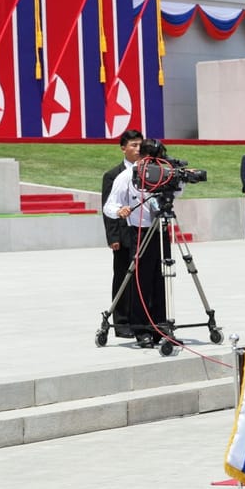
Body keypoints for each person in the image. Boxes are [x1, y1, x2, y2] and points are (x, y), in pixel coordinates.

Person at [102, 139, 168, 347]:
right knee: (141, 280)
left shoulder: (163, 171)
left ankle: (160, 326)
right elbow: (109, 206)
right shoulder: (126, 176)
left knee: (161, 279)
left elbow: (175, 193)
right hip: (139, 230)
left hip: (160, 229)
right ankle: (140, 328)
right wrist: (119, 211)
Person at [100, 130, 143, 337]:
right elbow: (108, 207)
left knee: (141, 278)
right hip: (123, 236)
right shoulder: (113, 175)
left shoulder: (147, 172)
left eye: (139, 145)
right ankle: (122, 322)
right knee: (122, 277)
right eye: (133, 145)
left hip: (143, 232)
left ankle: (140, 320)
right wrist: (113, 237)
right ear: (123, 148)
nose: (137, 149)